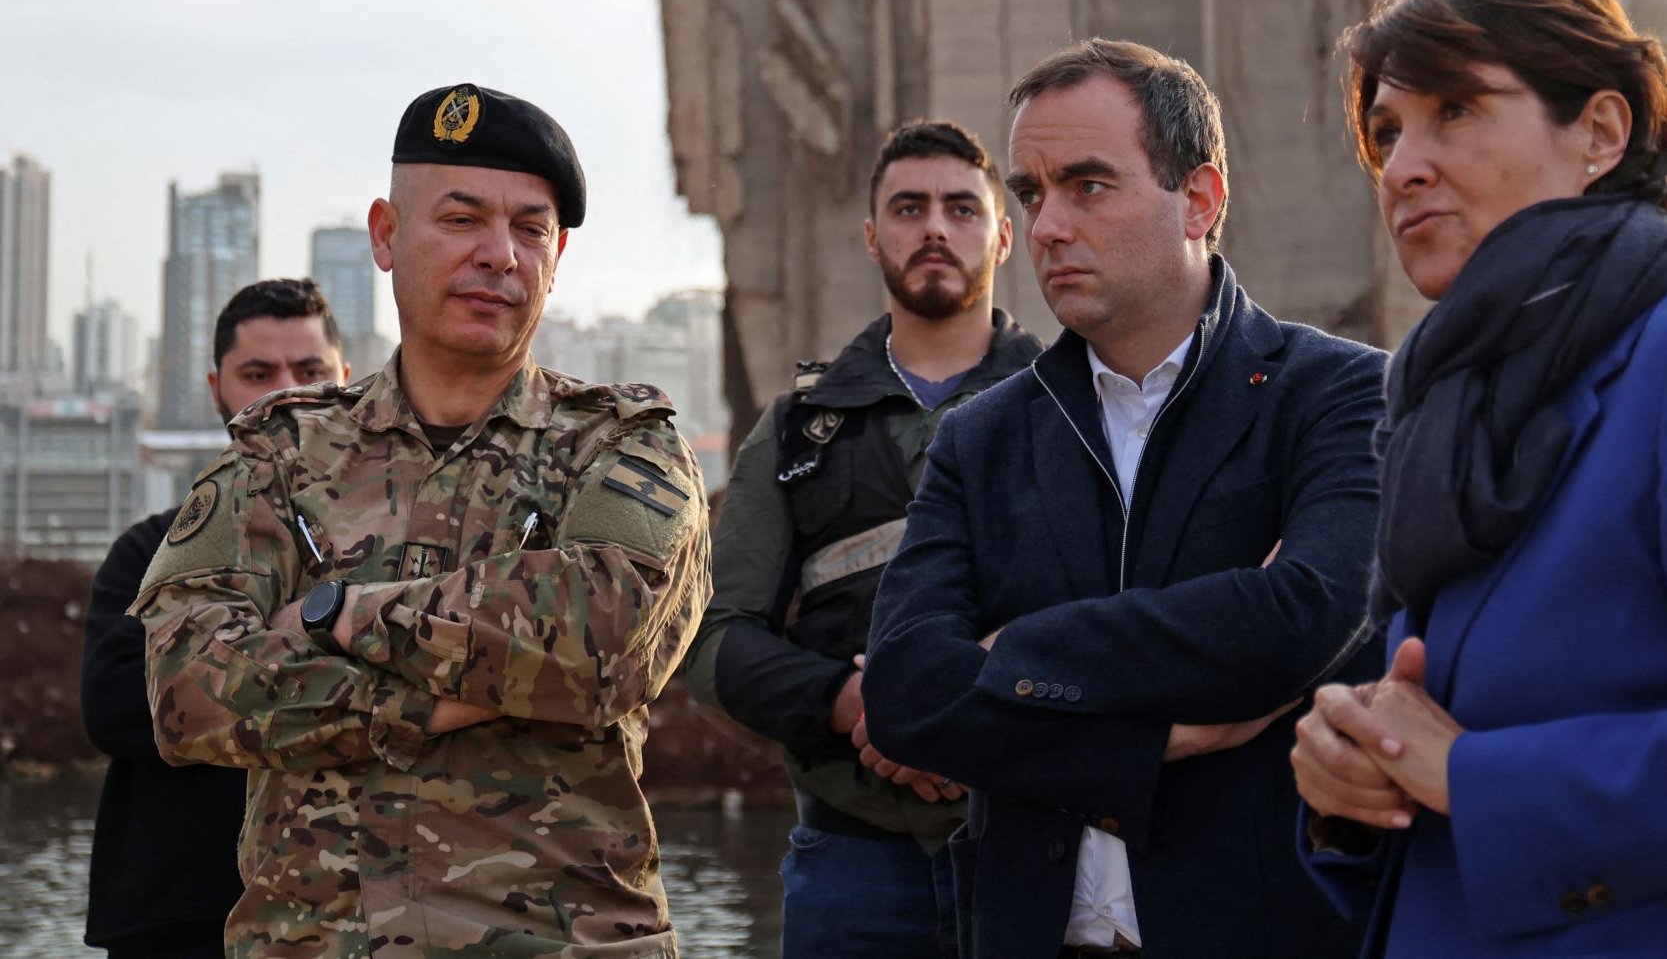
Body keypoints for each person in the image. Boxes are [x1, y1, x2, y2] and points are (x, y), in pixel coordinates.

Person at [132, 82, 712, 959]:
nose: (499, 255)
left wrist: (337, 615)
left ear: (557, 254)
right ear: (385, 235)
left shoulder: (622, 447)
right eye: (462, 218)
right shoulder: (279, 454)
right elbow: (187, 689)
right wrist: (426, 702)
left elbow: (607, 638)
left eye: (530, 228)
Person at [862, 39, 1386, 959]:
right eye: (1030, 193)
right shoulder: (982, 435)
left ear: (1200, 198)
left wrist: (1005, 653)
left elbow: (1302, 615)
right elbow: (904, 694)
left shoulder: (1341, 394)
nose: (1048, 225)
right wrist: (1151, 744)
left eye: (1088, 185)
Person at [1291, 0, 1667, 957]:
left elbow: (1459, 760)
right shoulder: (1442, 399)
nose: (1402, 164)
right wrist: (1345, 778)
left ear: (1597, 131)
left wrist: (1470, 778)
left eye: (1453, 109)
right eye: (1384, 131)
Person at [685, 119, 1042, 957]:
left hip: (1044, 845)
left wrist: (971, 700)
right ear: (872, 236)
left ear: (1002, 235)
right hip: (855, 858)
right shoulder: (796, 429)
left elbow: (1124, 603)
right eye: (908, 207)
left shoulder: (1071, 409)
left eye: (960, 208)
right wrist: (853, 704)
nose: (934, 228)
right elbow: (712, 639)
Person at [81, 278, 349, 959]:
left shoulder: (393, 549)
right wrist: (328, 641)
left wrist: (219, 661)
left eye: (310, 370)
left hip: (352, 916)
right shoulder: (151, 549)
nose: (285, 392)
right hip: (176, 921)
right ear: (217, 387)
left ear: (347, 380)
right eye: (258, 373)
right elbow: (116, 705)